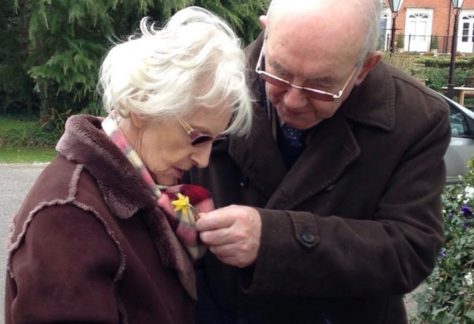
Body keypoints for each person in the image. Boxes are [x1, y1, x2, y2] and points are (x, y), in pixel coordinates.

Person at [187, 0, 452, 323]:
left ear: (365, 67)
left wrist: (275, 239)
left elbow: (410, 251)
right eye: (279, 72)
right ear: (266, 32)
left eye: (321, 85)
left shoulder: (416, 119)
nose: (293, 100)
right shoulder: (209, 86)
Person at [5, 6, 252, 323]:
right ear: (142, 106)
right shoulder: (67, 217)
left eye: (213, 142)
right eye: (198, 137)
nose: (203, 160)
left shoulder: (142, 186)